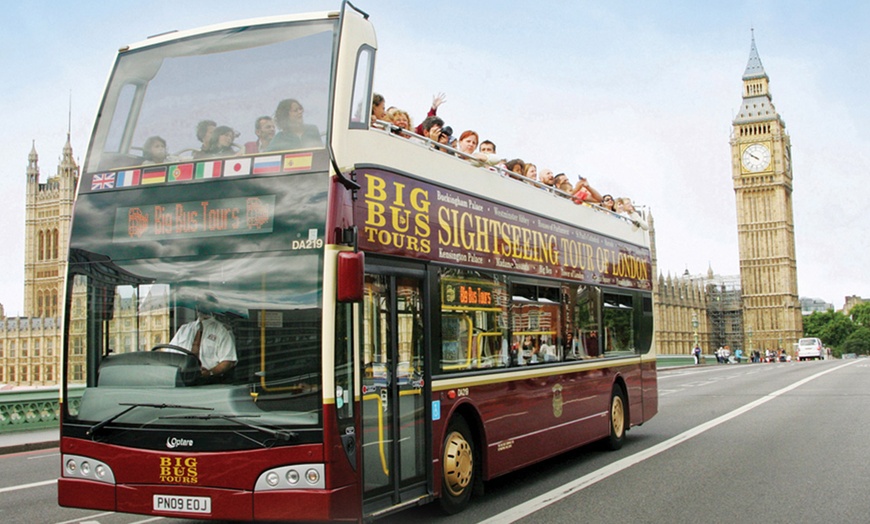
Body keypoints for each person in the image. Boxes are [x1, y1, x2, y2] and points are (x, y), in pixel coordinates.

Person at [169, 296, 237, 379]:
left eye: (205, 304)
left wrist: (210, 373)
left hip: (210, 382)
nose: (201, 307)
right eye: (199, 304)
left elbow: (228, 361)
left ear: (213, 307)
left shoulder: (222, 331)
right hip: (181, 379)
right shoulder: (184, 329)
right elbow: (169, 354)